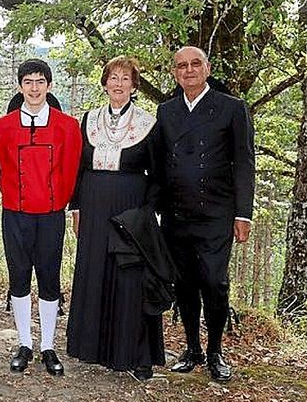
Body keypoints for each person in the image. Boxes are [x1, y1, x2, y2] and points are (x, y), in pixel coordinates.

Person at [66, 56, 176, 381]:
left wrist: (147, 213)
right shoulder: (89, 120)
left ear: (134, 85)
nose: (118, 83)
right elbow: (79, 167)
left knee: (130, 276)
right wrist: (76, 207)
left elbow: (159, 174)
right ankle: (93, 347)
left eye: (125, 78)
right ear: (104, 83)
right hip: (94, 202)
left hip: (131, 207)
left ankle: (135, 352)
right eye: (113, 77)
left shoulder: (148, 124)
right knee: (94, 271)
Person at [156, 46, 255, 382]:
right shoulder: (166, 111)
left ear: (207, 68)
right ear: (174, 73)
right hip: (176, 212)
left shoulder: (231, 108)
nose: (188, 70)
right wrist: (154, 209)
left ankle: (215, 351)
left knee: (214, 281)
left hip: (216, 211)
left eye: (195, 64)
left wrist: (244, 213)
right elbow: (158, 164)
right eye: (181, 66)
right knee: (184, 283)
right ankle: (193, 348)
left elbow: (244, 163)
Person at [0, 58, 81, 376]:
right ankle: (25, 343)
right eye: (28, 81)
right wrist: (15, 196)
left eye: (40, 81)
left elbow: (71, 171)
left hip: (51, 214)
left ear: (49, 85)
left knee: (49, 279)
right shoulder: (0, 127)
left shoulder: (68, 126)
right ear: (20, 86)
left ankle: (48, 346)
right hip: (15, 212)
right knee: (18, 277)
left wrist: (57, 201)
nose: (34, 87)